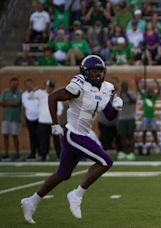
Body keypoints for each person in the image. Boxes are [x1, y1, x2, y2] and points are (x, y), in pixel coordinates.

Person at [21, 55, 123, 224]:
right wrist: (55, 124)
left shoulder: (106, 88)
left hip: (83, 134)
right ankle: (76, 194)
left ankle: (31, 201)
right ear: (85, 72)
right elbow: (53, 97)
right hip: (73, 134)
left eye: (100, 71)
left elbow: (109, 115)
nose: (97, 74)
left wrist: (117, 106)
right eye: (93, 71)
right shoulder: (79, 85)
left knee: (62, 174)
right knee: (106, 161)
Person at [33, 80, 64, 161]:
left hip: (54, 122)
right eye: (49, 87)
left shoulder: (56, 95)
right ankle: (43, 155)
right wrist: (35, 90)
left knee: (57, 140)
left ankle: (59, 156)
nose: (50, 89)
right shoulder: (40, 93)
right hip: (42, 121)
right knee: (43, 140)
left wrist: (57, 117)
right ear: (46, 86)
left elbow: (60, 108)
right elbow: (33, 95)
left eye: (51, 87)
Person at [135, 78, 161, 154]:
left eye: (151, 91)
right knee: (144, 132)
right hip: (145, 117)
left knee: (154, 132)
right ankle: (144, 146)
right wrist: (137, 83)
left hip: (152, 118)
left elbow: (159, 91)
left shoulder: (154, 98)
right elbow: (139, 90)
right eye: (148, 91)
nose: (149, 92)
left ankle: (159, 147)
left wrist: (157, 83)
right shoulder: (145, 96)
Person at [0, 78, 22, 161]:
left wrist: (7, 103)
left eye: (16, 83)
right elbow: (1, 102)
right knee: (5, 135)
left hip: (15, 118)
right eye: (13, 83)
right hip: (6, 118)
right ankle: (6, 154)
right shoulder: (5, 92)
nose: (14, 85)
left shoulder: (19, 92)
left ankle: (17, 154)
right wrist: (12, 103)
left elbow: (17, 103)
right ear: (10, 83)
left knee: (15, 136)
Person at [116, 80, 137, 161]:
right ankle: (124, 152)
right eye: (123, 86)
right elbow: (118, 104)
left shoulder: (131, 93)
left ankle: (131, 153)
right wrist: (121, 93)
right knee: (122, 136)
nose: (124, 87)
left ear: (127, 87)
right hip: (121, 118)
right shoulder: (119, 95)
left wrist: (126, 94)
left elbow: (133, 101)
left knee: (130, 135)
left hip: (130, 117)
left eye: (125, 86)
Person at [22, 79, 39, 160]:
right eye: (27, 85)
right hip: (29, 117)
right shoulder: (24, 95)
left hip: (38, 117)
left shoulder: (37, 93)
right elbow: (25, 104)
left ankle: (40, 152)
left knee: (39, 136)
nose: (29, 86)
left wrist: (34, 92)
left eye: (30, 85)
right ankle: (33, 153)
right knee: (32, 136)